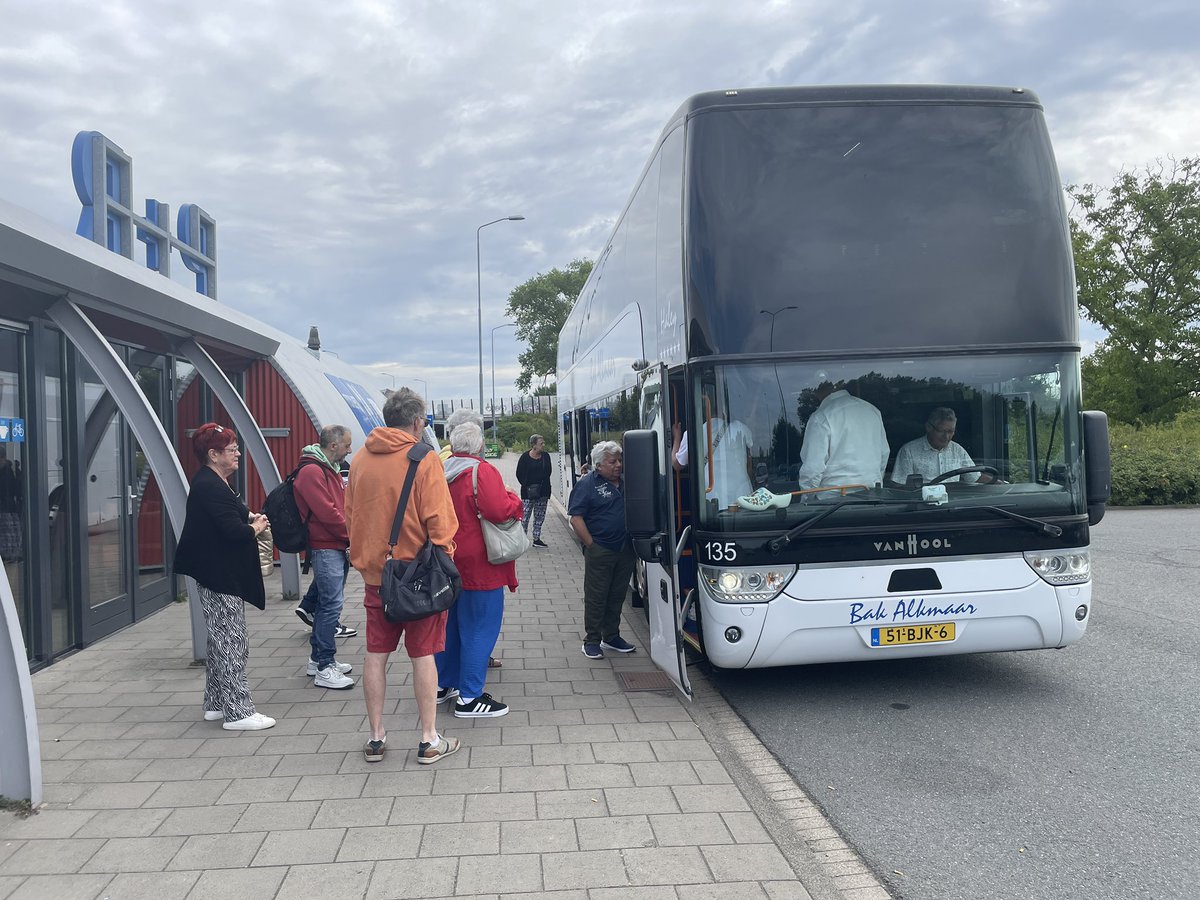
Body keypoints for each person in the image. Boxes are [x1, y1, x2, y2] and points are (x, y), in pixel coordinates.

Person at [345, 388, 461, 765]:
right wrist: (446, 558)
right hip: (418, 577)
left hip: (377, 578)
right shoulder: (424, 459)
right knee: (423, 654)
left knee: (376, 654)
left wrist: (366, 560)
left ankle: (376, 737)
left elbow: (351, 517)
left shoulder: (360, 459)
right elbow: (439, 521)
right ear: (416, 422)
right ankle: (429, 740)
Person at [173, 423, 275, 731]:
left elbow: (232, 514)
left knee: (221, 641)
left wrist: (249, 517)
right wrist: (256, 528)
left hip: (218, 573)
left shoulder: (212, 482)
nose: (238, 454)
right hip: (220, 575)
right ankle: (238, 712)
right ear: (213, 454)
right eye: (231, 449)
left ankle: (216, 703)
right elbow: (233, 532)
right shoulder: (209, 485)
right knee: (233, 642)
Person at [437, 422, 523, 718]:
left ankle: (442, 685)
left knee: (449, 626)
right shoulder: (481, 470)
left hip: (447, 559)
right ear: (480, 445)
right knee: (479, 628)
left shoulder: (440, 469)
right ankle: (470, 698)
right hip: (480, 563)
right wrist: (513, 497)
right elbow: (499, 510)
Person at [292, 425, 356, 690]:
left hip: (333, 545)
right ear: (334, 446)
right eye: (347, 445)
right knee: (330, 606)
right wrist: (352, 534)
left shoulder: (323, 467)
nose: (350, 449)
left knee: (327, 604)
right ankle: (325, 667)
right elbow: (328, 513)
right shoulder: (311, 471)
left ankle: (316, 658)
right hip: (326, 546)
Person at [568, 441, 638, 659]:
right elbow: (576, 518)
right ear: (598, 465)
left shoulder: (628, 482)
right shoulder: (588, 484)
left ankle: (612, 636)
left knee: (617, 595)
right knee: (597, 596)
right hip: (601, 549)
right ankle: (591, 640)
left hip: (625, 549)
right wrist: (592, 545)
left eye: (620, 460)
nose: (618, 465)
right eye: (612, 462)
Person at [795, 379, 890, 493]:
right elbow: (884, 454)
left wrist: (807, 501)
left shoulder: (821, 417)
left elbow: (812, 470)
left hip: (832, 504)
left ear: (818, 391)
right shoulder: (872, 410)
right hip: (873, 500)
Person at [891, 407, 993, 485]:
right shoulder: (909, 451)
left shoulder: (957, 450)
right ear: (928, 427)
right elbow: (898, 485)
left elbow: (975, 477)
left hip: (954, 506)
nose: (946, 436)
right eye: (942, 431)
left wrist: (1002, 484)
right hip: (922, 507)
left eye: (950, 431)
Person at [671, 418, 754, 508]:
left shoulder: (693, 433)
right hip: (745, 499)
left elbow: (677, 464)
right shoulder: (741, 428)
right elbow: (750, 462)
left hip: (716, 503)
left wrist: (676, 437)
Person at [516, 433, 552, 547]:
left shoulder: (546, 456)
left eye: (543, 443)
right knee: (525, 516)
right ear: (534, 445)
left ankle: (537, 538)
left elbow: (548, 471)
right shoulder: (525, 457)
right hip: (528, 492)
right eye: (541, 443)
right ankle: (522, 539)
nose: (543, 445)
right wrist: (527, 485)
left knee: (539, 515)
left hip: (543, 491)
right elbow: (519, 473)